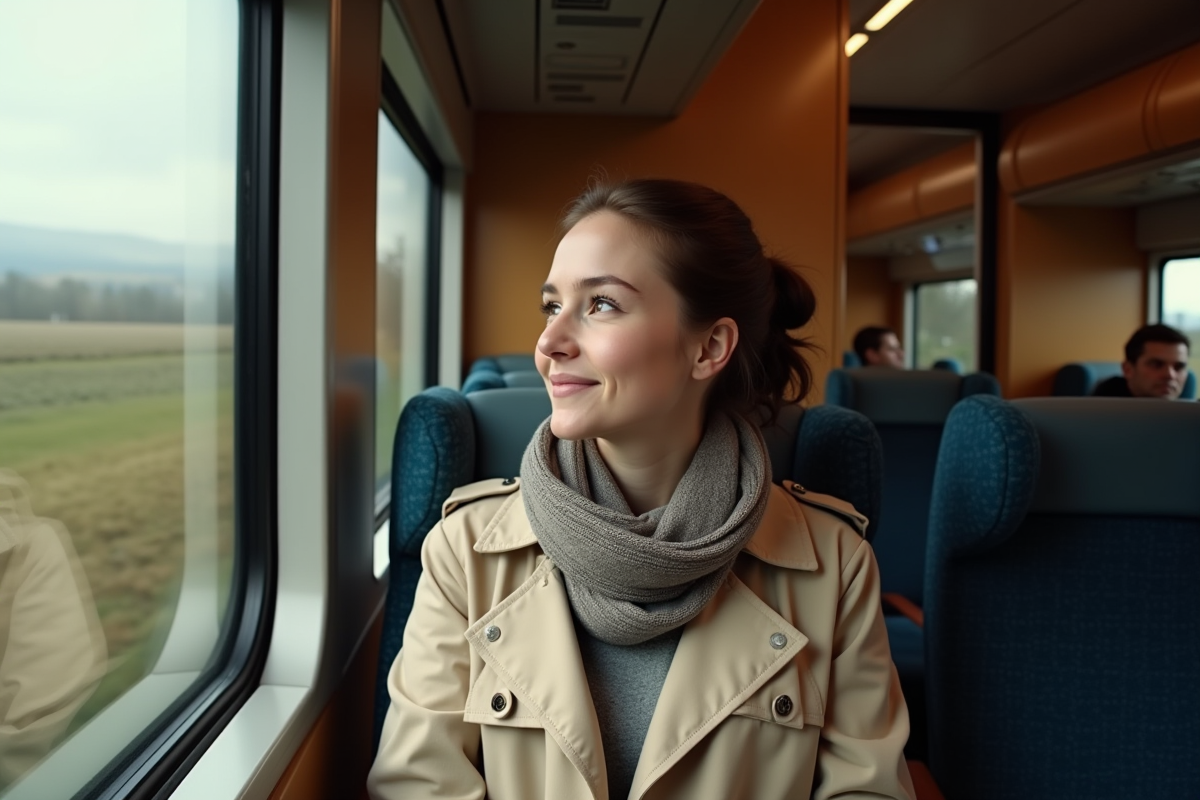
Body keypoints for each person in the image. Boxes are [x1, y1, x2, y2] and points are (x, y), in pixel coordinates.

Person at [369, 179, 914, 800]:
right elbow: (417, 786)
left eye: (601, 304)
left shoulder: (835, 566)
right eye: (552, 306)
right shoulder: (464, 551)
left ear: (709, 347)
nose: (549, 343)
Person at [1092, 323, 1191, 399]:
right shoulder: (1103, 404)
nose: (1170, 375)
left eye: (1179, 367)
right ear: (1128, 370)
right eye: (1156, 365)